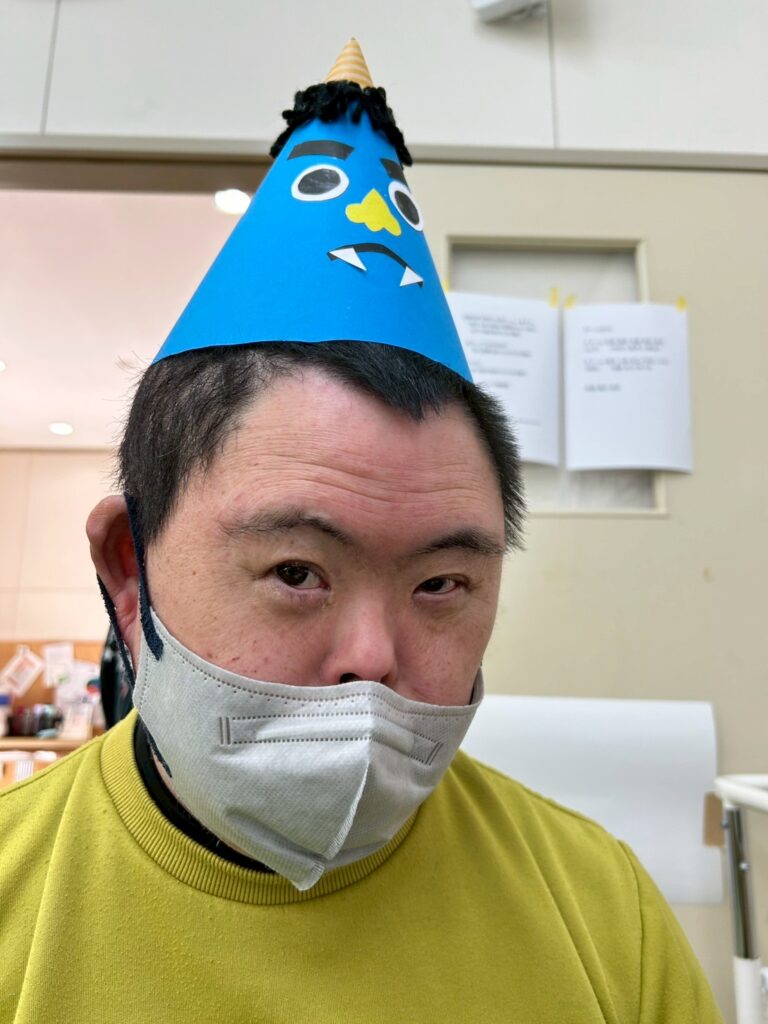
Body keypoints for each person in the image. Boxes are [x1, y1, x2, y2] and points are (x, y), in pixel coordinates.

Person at [0, 40, 722, 1024]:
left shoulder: (607, 918)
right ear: (131, 572)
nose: (374, 659)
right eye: (297, 570)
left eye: (441, 584)